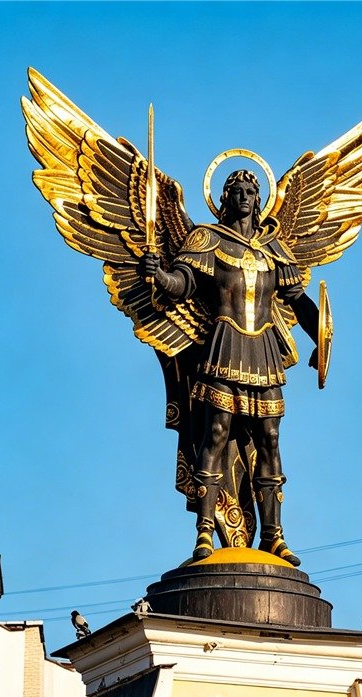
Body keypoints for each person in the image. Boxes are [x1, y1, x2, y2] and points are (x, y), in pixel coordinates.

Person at [139, 170, 319, 565]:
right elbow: (182, 284)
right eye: (236, 190)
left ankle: (274, 535)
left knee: (270, 438)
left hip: (264, 349)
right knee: (215, 433)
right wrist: (157, 274)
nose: (244, 196)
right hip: (224, 345)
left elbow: (297, 298)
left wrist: (320, 334)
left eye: (251, 191)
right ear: (224, 197)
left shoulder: (274, 246)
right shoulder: (207, 239)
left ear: (259, 199)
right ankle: (204, 533)